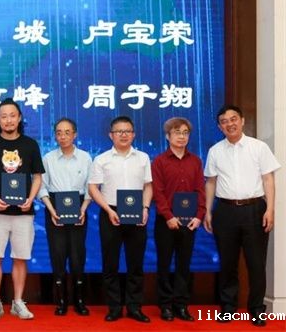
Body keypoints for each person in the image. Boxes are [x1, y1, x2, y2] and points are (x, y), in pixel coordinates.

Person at [204, 105, 279, 327]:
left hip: (254, 209)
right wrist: (207, 211)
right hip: (225, 211)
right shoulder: (215, 151)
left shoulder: (259, 147)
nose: (230, 124)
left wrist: (270, 209)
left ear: (242, 120)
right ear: (220, 127)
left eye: (233, 119)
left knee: (256, 263)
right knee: (228, 263)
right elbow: (211, 182)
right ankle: (228, 307)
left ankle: (256, 309)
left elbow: (268, 179)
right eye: (224, 121)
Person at [0, 98, 43, 321]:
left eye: (12, 115)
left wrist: (31, 199)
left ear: (19, 118)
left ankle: (18, 301)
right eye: (4, 116)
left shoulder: (30, 145)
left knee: (20, 258)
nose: (8, 120)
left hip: (23, 212)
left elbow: (37, 176)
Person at [88, 115, 152, 323]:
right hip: (111, 213)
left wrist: (145, 208)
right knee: (110, 263)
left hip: (137, 213)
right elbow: (93, 188)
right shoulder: (101, 159)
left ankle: (134, 307)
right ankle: (114, 307)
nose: (123, 135)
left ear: (133, 134)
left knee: (136, 263)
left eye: (127, 131)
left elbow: (148, 186)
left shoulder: (143, 158)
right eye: (119, 131)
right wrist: (108, 210)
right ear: (111, 135)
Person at [151, 117, 205, 322]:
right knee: (164, 264)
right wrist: (168, 216)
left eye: (185, 133)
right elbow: (158, 192)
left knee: (184, 264)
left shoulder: (196, 161)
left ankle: (181, 305)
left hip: (190, 222)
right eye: (177, 132)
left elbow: (200, 190)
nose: (181, 136)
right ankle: (165, 305)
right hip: (166, 222)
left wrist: (199, 216)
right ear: (168, 136)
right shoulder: (159, 161)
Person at [39, 117, 92, 316]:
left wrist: (83, 209)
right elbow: (42, 187)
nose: (63, 136)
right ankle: (61, 301)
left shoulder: (85, 158)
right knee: (58, 254)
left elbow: (90, 186)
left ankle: (79, 300)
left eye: (67, 132)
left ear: (75, 134)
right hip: (54, 207)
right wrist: (51, 210)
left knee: (78, 256)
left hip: (79, 207)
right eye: (59, 133)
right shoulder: (48, 158)